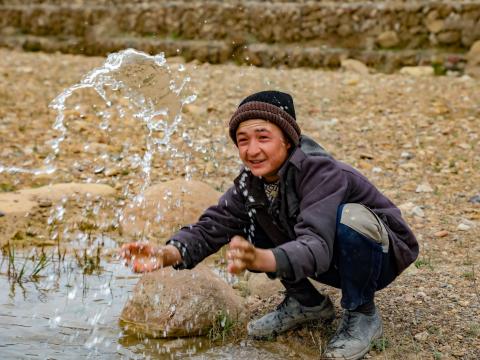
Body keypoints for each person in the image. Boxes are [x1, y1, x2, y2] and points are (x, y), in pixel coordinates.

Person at [121, 90, 418, 360]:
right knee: (248, 217)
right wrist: (167, 254)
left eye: (263, 137)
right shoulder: (251, 182)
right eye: (243, 140)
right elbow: (214, 224)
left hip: (379, 256)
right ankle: (308, 304)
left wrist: (262, 258)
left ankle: (362, 313)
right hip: (328, 257)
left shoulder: (322, 172)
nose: (252, 150)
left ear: (288, 140)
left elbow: (317, 243)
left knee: (350, 219)